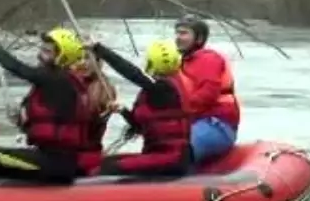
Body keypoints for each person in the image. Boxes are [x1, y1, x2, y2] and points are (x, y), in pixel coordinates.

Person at [0, 25, 96, 183]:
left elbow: (16, 67)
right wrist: (20, 120)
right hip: (49, 158)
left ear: (62, 57)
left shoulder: (57, 79)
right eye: (42, 50)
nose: (40, 55)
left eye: (47, 52)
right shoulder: (59, 82)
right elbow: (51, 125)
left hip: (55, 165)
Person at [90, 39, 192, 177]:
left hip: (171, 158)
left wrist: (99, 49)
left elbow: (131, 72)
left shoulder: (163, 88)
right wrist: (123, 111)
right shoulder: (159, 91)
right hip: (161, 154)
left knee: (110, 168)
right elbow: (140, 128)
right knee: (104, 162)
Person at [174, 15, 241, 163]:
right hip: (195, 124)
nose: (178, 37)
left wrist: (177, 111)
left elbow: (208, 93)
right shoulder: (181, 65)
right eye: (177, 33)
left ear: (199, 38)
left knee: (179, 153)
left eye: (184, 33)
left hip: (217, 125)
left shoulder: (208, 59)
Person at [72, 49, 116, 153]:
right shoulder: (67, 80)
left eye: (87, 58)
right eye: (79, 58)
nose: (82, 62)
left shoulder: (105, 89)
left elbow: (95, 119)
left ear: (99, 63)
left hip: (88, 148)